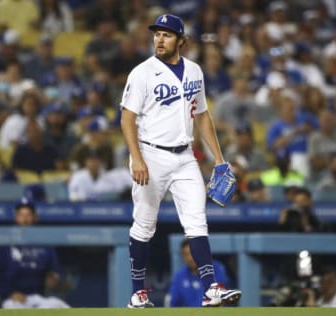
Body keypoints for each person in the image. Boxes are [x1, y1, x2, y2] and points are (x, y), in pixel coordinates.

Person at [119, 14, 241, 308]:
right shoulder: (142, 73)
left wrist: (220, 159)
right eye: (157, 34)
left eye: (167, 35)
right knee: (145, 225)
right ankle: (137, 292)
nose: (159, 39)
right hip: (150, 153)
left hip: (185, 155)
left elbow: (201, 115)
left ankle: (210, 288)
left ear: (181, 41)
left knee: (197, 221)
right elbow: (127, 118)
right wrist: (136, 158)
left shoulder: (195, 71)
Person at [0, 197, 69, 309]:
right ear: (16, 217)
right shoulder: (3, 242)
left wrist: (54, 279)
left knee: (58, 305)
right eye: (21, 215)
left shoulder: (45, 243)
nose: (25, 220)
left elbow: (55, 271)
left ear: (35, 217)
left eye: (28, 215)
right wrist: (9, 293)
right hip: (12, 300)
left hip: (38, 298)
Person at [167, 239, 230, 307]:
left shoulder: (216, 269)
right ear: (182, 256)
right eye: (186, 254)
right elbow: (173, 304)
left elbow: (222, 298)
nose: (190, 258)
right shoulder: (179, 276)